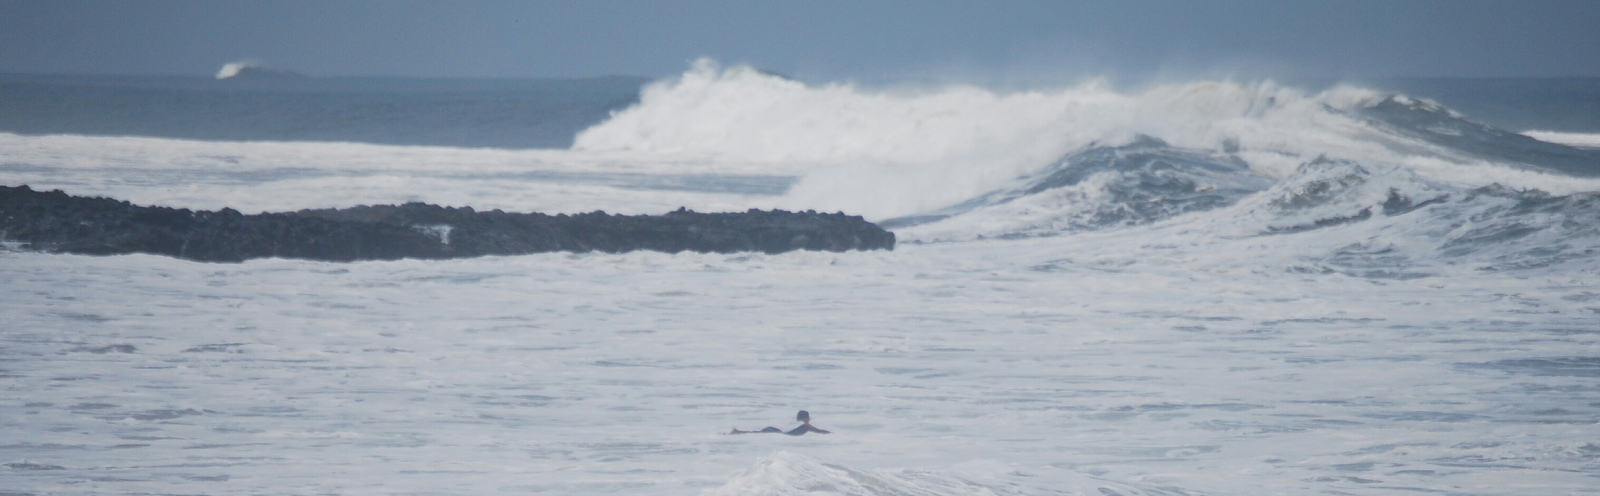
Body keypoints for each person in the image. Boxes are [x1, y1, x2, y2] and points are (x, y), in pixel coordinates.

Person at [730, 410, 831, 436]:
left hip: (773, 429)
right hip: (776, 432)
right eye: (808, 418)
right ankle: (738, 432)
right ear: (806, 418)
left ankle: (738, 432)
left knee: (756, 433)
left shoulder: (794, 423)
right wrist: (831, 434)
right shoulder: (805, 426)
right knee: (756, 433)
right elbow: (818, 431)